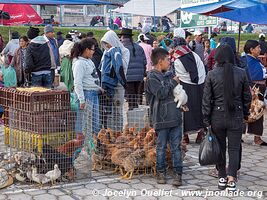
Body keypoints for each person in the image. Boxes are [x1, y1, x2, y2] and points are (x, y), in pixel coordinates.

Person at [202, 44, 251, 191]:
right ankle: (232, 179)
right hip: (236, 115)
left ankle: (222, 177)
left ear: (217, 57)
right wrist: (245, 113)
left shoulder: (211, 74)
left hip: (217, 116)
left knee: (220, 148)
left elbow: (206, 99)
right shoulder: (241, 73)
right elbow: (246, 97)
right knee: (234, 149)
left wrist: (206, 119)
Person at [145, 48, 183, 187]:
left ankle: (178, 174)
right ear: (160, 61)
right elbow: (161, 93)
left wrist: (183, 103)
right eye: (167, 59)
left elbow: (177, 93)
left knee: (176, 147)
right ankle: (161, 172)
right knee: (161, 147)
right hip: (160, 118)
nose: (170, 62)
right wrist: (173, 82)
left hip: (175, 117)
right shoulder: (152, 77)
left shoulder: (169, 74)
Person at [171, 37, 206, 144]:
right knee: (199, 108)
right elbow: (201, 70)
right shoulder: (195, 55)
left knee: (185, 110)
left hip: (185, 87)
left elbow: (178, 76)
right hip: (200, 85)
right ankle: (201, 133)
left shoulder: (177, 59)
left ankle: (185, 135)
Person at [71, 38, 103, 135]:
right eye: (92, 49)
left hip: (93, 93)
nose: (93, 52)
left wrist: (99, 88)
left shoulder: (89, 61)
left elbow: (91, 77)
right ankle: (81, 142)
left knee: (94, 121)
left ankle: (93, 142)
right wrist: (81, 99)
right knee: (84, 121)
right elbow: (77, 82)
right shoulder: (79, 63)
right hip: (86, 94)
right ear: (86, 50)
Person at [100, 30, 130, 131]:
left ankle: (118, 131)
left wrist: (115, 55)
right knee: (109, 110)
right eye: (104, 44)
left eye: (107, 43)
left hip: (118, 83)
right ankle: (110, 131)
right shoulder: (106, 52)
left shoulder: (125, 51)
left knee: (118, 109)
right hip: (108, 84)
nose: (107, 45)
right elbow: (103, 67)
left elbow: (124, 66)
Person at [245, 40, 267, 146]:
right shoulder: (247, 61)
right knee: (253, 111)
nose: (260, 49)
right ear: (251, 50)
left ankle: (257, 136)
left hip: (260, 89)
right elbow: (251, 76)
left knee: (258, 112)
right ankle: (256, 138)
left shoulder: (256, 60)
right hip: (254, 89)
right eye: (258, 47)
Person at [119, 28, 147, 110]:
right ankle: (136, 112)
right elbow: (144, 62)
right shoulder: (139, 47)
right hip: (139, 76)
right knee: (136, 95)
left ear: (123, 37)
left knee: (130, 97)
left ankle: (132, 115)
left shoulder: (121, 48)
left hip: (128, 76)